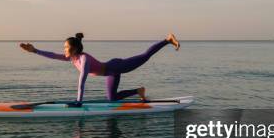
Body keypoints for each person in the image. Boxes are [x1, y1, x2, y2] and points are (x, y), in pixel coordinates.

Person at [19, 33, 180, 104]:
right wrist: (34, 50)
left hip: (116, 66)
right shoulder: (72, 58)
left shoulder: (83, 59)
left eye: (66, 47)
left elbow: (82, 81)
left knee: (144, 56)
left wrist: (78, 101)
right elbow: (53, 55)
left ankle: (167, 39)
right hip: (110, 73)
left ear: (74, 49)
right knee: (112, 99)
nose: (64, 50)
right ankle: (138, 91)